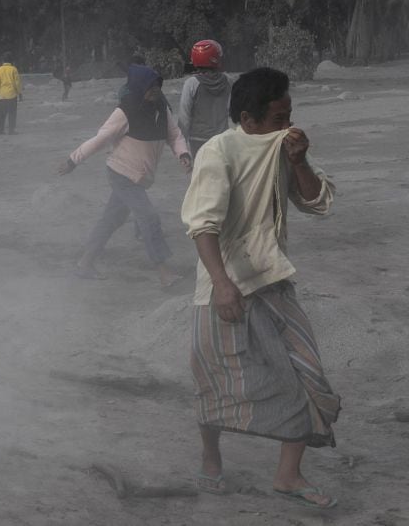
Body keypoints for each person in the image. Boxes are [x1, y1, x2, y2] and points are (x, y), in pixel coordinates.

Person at [181, 67, 339, 508]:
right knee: (214, 379)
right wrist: (222, 285)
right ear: (247, 119)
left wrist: (300, 161)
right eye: (278, 118)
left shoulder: (284, 150)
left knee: (309, 375)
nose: (287, 126)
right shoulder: (219, 152)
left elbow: (317, 202)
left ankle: (288, 475)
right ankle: (211, 458)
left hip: (272, 282)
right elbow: (202, 226)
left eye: (290, 115)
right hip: (222, 285)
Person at [58, 65, 191, 288]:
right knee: (149, 217)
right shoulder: (125, 110)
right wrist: (74, 160)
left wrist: (183, 153)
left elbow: (174, 134)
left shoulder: (161, 107)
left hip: (139, 176)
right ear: (139, 87)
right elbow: (100, 139)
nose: (155, 91)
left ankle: (84, 263)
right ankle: (164, 273)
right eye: (150, 87)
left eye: (157, 86)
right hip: (121, 174)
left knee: (113, 218)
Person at [178, 39, 233, 158]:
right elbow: (231, 110)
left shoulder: (191, 83)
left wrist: (181, 145)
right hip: (221, 138)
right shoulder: (228, 80)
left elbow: (184, 116)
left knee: (201, 174)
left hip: (198, 140)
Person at [0, 53, 23, 135]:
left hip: (2, 95)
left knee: (2, 114)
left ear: (3, 61)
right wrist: (20, 93)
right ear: (11, 61)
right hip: (12, 95)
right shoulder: (13, 69)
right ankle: (11, 130)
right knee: (12, 113)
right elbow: (17, 83)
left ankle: (0, 130)